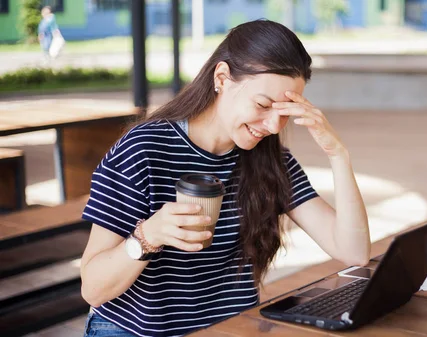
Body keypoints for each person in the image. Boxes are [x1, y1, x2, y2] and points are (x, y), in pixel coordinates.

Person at [79, 19, 371, 337]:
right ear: (222, 78)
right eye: (262, 104)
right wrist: (149, 235)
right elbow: (93, 289)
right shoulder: (143, 150)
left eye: (285, 111)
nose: (274, 125)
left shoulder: (270, 160)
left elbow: (353, 252)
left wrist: (337, 153)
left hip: (229, 329)